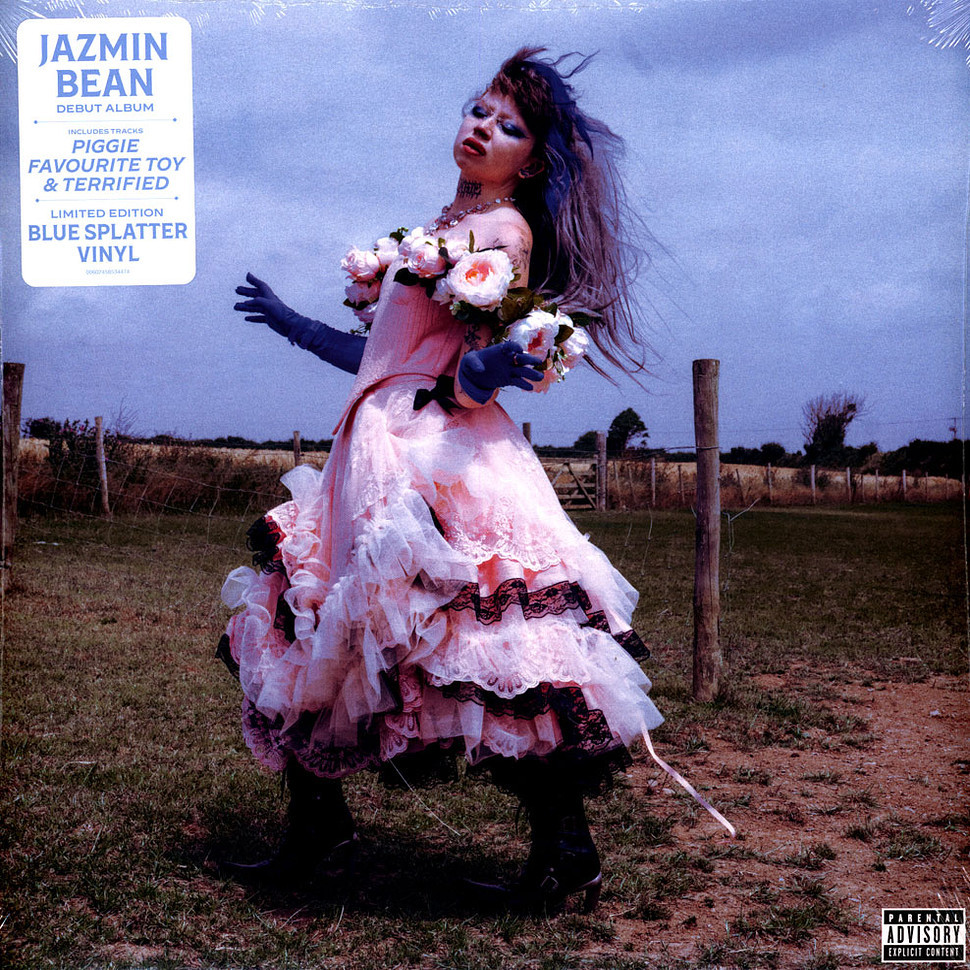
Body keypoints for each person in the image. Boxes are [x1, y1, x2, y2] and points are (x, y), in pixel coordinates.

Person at [218, 47, 667, 913]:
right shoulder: (440, 229)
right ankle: (321, 826)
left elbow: (465, 378)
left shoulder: (503, 237)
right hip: (373, 438)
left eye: (508, 126)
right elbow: (387, 360)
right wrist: (295, 325)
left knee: (478, 652)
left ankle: (566, 852)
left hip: (433, 456)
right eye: (478, 109)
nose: (482, 127)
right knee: (314, 621)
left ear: (529, 161)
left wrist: (489, 369)